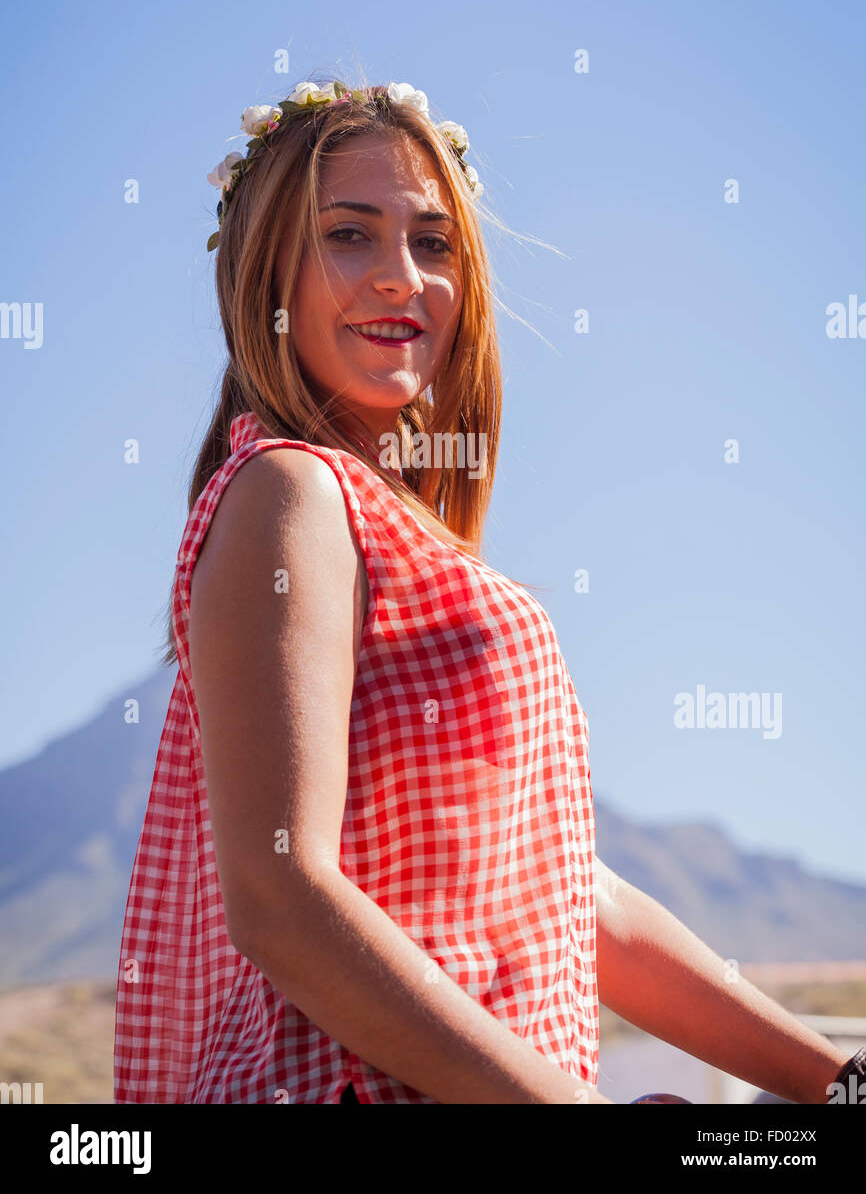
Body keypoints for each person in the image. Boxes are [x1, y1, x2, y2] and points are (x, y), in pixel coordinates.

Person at [113, 75, 851, 1105]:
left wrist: (837, 1079)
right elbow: (280, 892)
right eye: (348, 235)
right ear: (262, 275)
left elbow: (564, 893)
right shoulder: (289, 489)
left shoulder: (394, 527)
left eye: (433, 242)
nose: (399, 277)